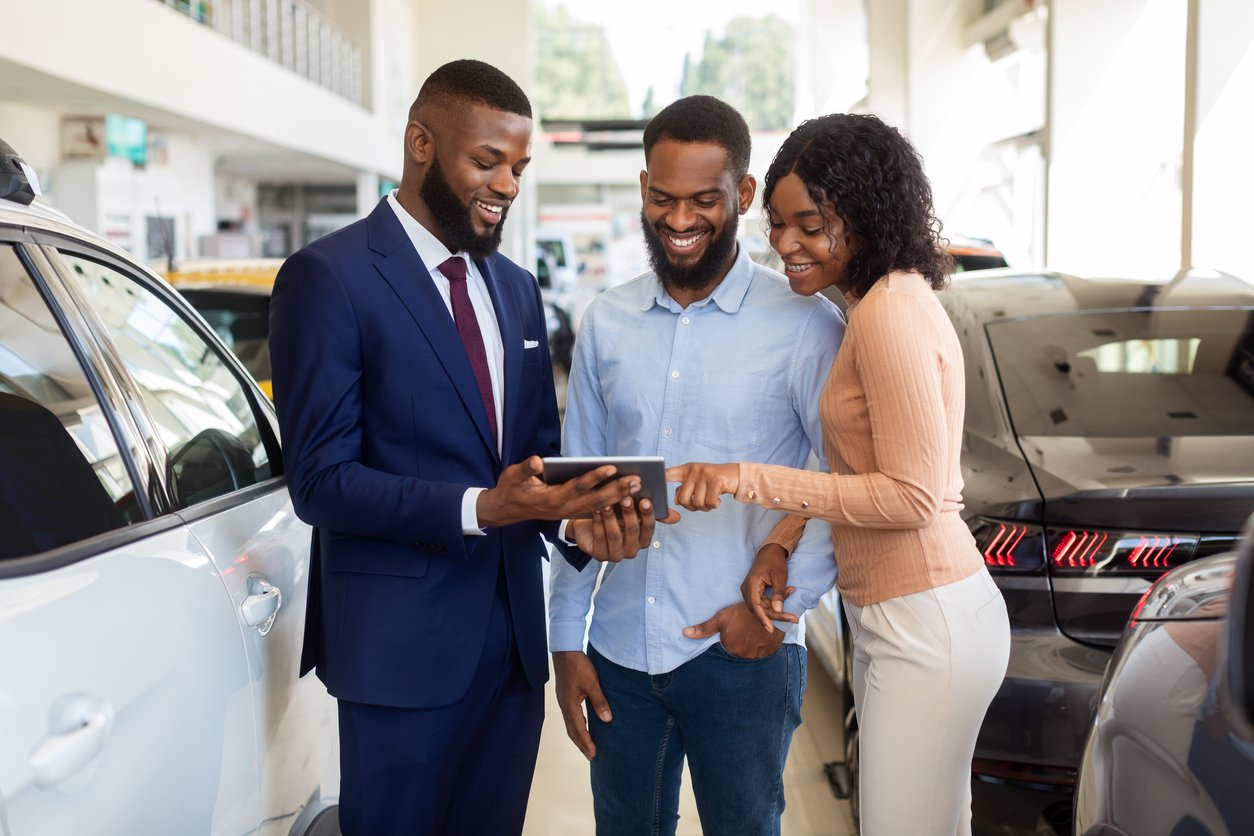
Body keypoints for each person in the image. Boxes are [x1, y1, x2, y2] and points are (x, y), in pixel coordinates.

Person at [268, 59, 645, 836]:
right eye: (487, 160)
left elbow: (534, 461)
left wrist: (580, 522)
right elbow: (320, 481)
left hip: (510, 651)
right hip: (398, 655)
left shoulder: (513, 287)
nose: (507, 183)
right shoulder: (328, 277)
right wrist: (481, 508)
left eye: (518, 166)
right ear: (419, 143)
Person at [669, 113, 1012, 836]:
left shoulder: (888, 312)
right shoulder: (878, 302)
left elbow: (912, 494)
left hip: (925, 616)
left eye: (810, 224)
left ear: (863, 215)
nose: (787, 244)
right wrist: (783, 540)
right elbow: (851, 465)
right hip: (911, 611)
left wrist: (742, 477)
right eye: (779, 225)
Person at [548, 95, 844, 836]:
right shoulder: (607, 322)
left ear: (743, 196)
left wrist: (780, 612)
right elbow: (576, 496)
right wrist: (564, 639)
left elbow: (843, 487)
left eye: (703, 201)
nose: (679, 221)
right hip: (617, 650)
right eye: (662, 198)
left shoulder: (807, 325)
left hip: (741, 650)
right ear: (644, 188)